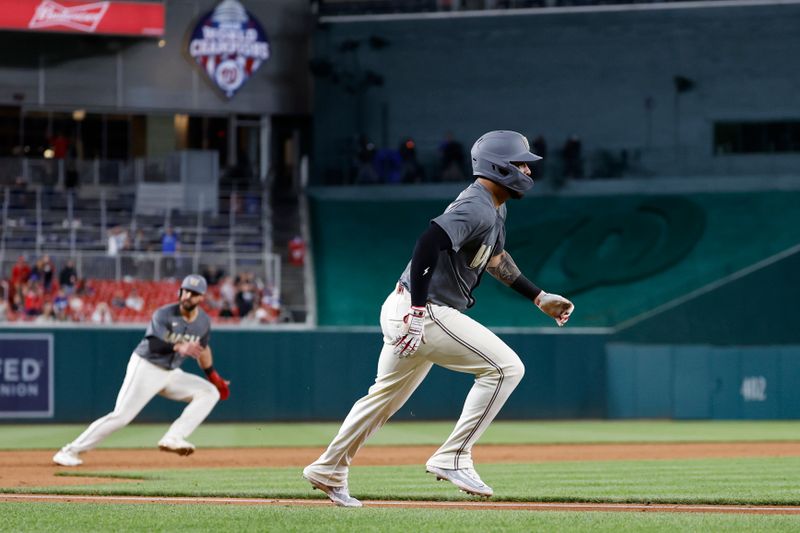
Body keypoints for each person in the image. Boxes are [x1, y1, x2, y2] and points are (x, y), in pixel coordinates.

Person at [302, 130, 575, 507]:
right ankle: (454, 456)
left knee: (382, 399)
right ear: (499, 166)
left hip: (407, 307)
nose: (528, 169)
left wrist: (537, 296)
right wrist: (417, 310)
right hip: (425, 309)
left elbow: (494, 259)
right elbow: (427, 242)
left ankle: (328, 469)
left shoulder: (494, 207)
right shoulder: (477, 206)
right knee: (506, 369)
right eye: (521, 163)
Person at [53, 274, 231, 467]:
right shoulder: (164, 314)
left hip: (170, 373)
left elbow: (204, 349)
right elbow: (154, 344)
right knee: (121, 416)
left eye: (194, 293)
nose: (188, 295)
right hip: (146, 366)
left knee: (209, 392)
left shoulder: (203, 322)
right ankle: (69, 451)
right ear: (180, 291)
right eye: (186, 290)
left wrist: (214, 376)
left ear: (202, 298)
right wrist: (179, 347)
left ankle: (173, 437)